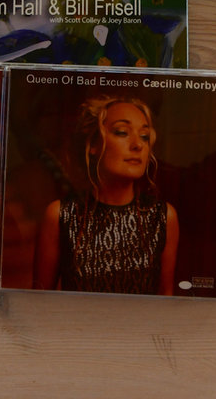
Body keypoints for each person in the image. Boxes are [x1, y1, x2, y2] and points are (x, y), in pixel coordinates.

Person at [33, 95, 179, 295]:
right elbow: (39, 301)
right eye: (122, 132)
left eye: (144, 136)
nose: (138, 145)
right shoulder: (60, 215)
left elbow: (166, 300)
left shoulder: (163, 217)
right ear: (93, 144)